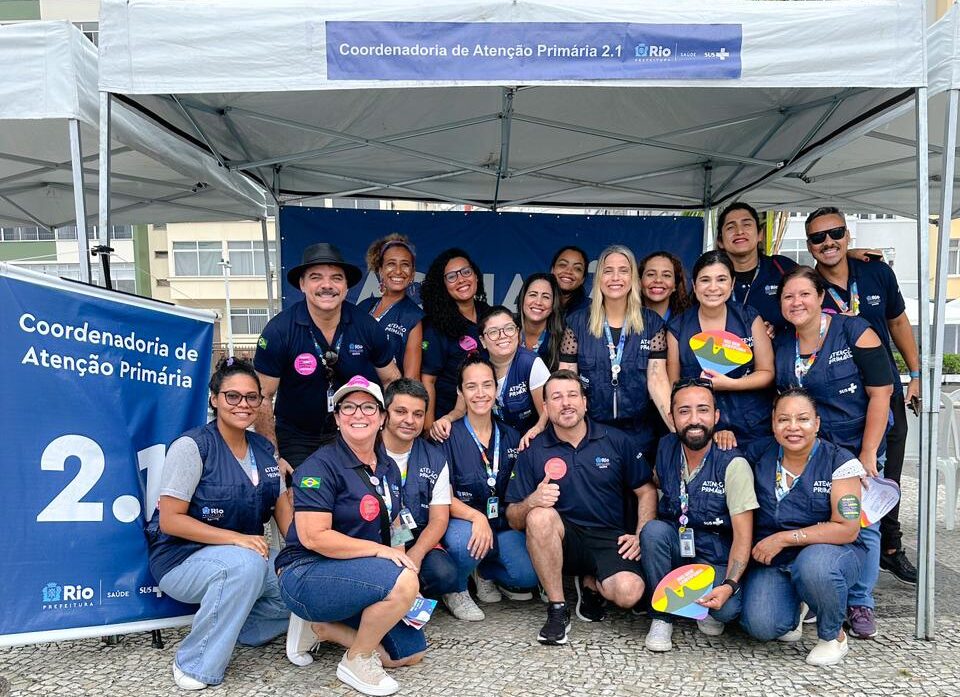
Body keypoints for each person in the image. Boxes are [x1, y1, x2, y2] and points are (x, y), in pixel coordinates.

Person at [145, 357, 291, 690]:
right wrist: (235, 539)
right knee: (244, 564)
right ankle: (195, 663)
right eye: (232, 396)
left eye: (252, 397)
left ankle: (235, 629)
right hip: (182, 559)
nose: (243, 404)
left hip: (248, 557)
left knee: (296, 588)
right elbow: (170, 520)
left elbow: (284, 512)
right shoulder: (192, 446)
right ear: (214, 399)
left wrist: (301, 557)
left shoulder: (265, 448)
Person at [278, 375, 424, 696]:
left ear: (383, 417)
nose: (358, 414)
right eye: (349, 407)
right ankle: (356, 660)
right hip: (305, 574)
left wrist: (401, 561)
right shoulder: (320, 467)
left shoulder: (385, 465)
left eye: (368, 407)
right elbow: (313, 536)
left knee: (409, 653)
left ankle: (322, 630)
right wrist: (381, 555)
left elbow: (395, 522)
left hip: (355, 574)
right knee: (401, 583)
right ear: (338, 417)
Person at [805, 206, 919, 587]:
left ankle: (890, 545)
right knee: (840, 479)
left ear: (848, 235)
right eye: (818, 238)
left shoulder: (876, 272)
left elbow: (898, 322)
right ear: (809, 246)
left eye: (835, 233)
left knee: (886, 472)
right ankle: (838, 555)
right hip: (834, 401)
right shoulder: (809, 287)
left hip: (882, 390)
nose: (828, 242)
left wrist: (915, 373)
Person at [506, 370, 657, 646]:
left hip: (610, 538)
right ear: (546, 407)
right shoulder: (533, 450)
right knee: (539, 516)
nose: (566, 403)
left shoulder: (616, 440)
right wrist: (532, 501)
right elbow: (514, 517)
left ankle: (591, 583)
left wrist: (641, 533)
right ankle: (557, 609)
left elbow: (646, 491)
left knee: (629, 593)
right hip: (565, 539)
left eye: (573, 395)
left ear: (585, 402)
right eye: (557, 397)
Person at [739, 388, 867, 667]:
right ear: (773, 423)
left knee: (814, 565)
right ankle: (797, 604)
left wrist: (784, 539)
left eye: (803, 419)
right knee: (761, 625)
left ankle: (833, 636)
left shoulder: (840, 461)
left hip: (831, 554)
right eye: (784, 419)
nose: (793, 427)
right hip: (776, 561)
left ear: (817, 424)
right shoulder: (759, 453)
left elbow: (847, 529)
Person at [254, 242, 399, 472]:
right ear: (302, 284)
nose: (327, 285)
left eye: (336, 278)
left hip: (354, 433)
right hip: (295, 439)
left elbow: (392, 381)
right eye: (316, 277)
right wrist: (273, 456)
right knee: (299, 501)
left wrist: (386, 435)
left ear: (347, 286)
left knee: (355, 503)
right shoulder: (278, 331)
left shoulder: (367, 327)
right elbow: (261, 396)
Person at [641, 378, 756, 653]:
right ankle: (662, 616)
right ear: (671, 417)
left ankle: (702, 607)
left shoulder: (733, 464)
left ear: (716, 416)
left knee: (726, 611)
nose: (694, 420)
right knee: (653, 531)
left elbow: (743, 537)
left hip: (714, 559)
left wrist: (728, 585)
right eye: (684, 411)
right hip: (679, 548)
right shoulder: (666, 447)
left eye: (703, 410)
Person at [439, 355, 539, 621]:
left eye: (487, 385)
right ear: (460, 391)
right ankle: (455, 589)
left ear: (496, 389)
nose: (480, 393)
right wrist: (476, 517)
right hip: (462, 521)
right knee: (464, 544)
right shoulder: (447, 436)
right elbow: (442, 497)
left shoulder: (511, 436)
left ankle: (483, 571)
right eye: (471, 387)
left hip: (500, 523)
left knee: (527, 574)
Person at [560, 244, 672, 458]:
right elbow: (567, 379)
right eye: (608, 271)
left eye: (623, 270)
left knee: (642, 491)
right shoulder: (576, 323)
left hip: (639, 435)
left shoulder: (652, 324)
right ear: (599, 278)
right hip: (590, 433)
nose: (615, 278)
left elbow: (658, 379)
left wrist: (675, 427)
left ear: (633, 278)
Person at [667, 250, 775, 452]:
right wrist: (709, 427)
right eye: (705, 280)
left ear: (732, 284)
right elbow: (675, 387)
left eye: (722, 279)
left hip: (753, 428)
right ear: (694, 285)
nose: (713, 287)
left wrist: (731, 384)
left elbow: (767, 373)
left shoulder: (749, 318)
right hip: (700, 432)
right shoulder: (677, 328)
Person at [380, 378, 457, 602]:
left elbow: (439, 519)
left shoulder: (435, 458)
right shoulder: (367, 449)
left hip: (415, 537)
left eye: (418, 414)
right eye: (401, 412)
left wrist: (417, 553)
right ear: (386, 414)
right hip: (372, 540)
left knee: (444, 574)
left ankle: (411, 595)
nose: (409, 421)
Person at [420, 248, 490, 433]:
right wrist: (428, 429)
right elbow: (428, 381)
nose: (461, 279)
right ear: (443, 285)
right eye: (451, 276)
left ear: (475, 276)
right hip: (450, 423)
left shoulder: (490, 315)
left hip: (488, 417)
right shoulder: (437, 327)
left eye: (466, 272)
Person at [714, 202, 798, 335]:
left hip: (782, 352)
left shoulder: (783, 268)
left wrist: (778, 329)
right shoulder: (711, 278)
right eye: (730, 227)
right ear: (720, 241)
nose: (739, 231)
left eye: (746, 224)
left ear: (760, 234)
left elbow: (809, 310)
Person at [357, 234, 425, 379]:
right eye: (391, 264)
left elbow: (411, 378)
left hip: (388, 396)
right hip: (354, 393)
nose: (398, 271)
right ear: (380, 270)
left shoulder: (413, 317)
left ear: (412, 274)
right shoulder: (364, 307)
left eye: (405, 265)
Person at [518, 272, 564, 371]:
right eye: (533, 295)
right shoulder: (508, 330)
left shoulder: (563, 337)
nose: (538, 302)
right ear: (523, 299)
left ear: (553, 304)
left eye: (546, 297)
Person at [639, 250, 691, 322]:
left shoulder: (687, 322)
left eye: (666, 275)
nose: (658, 280)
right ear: (639, 282)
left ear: (675, 285)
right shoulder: (624, 320)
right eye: (651, 274)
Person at [550, 245, 591, 318]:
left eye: (577, 269)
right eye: (563, 265)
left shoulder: (592, 309)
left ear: (583, 279)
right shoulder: (538, 304)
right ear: (552, 270)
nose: (568, 271)